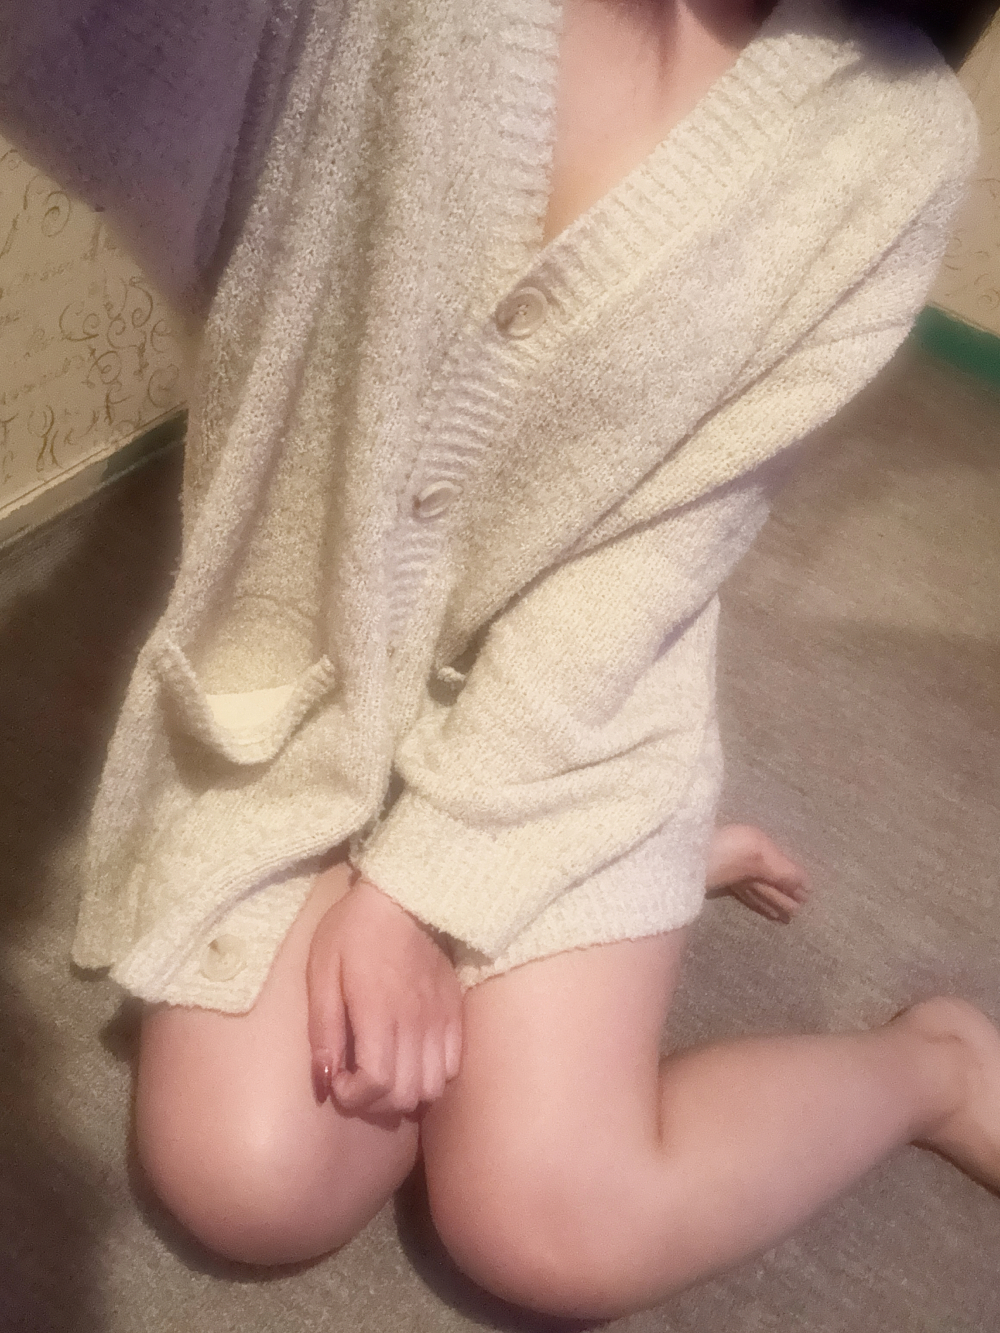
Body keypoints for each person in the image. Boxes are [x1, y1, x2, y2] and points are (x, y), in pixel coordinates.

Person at [52, 0, 999, 1317]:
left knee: (551, 1228)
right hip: (300, 680)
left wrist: (417, 895)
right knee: (250, 1177)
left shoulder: (895, 142)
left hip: (572, 717)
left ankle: (933, 1067)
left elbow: (654, 561)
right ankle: (625, 882)